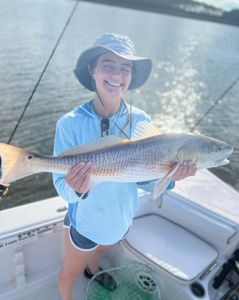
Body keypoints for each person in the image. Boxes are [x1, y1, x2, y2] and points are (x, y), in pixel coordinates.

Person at [53, 33, 197, 300]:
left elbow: (142, 179)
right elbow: (62, 187)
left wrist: (172, 176)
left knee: (102, 250)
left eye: (125, 67)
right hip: (86, 225)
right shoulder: (69, 122)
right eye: (108, 64)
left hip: (120, 221)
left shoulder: (142, 120)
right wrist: (77, 188)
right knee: (69, 274)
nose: (116, 74)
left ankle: (93, 269)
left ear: (130, 76)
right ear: (92, 70)